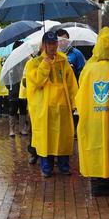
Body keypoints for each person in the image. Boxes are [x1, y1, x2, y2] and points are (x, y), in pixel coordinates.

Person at [76, 27, 109, 196]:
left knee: (96, 147)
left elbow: (80, 91)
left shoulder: (89, 68)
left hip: (92, 117)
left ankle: (98, 180)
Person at [24, 31, 79, 177]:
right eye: (49, 44)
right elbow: (37, 82)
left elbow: (71, 83)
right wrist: (45, 64)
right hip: (44, 109)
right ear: (43, 45)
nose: (52, 47)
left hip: (62, 107)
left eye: (54, 43)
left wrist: (75, 103)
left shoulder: (63, 60)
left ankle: (64, 166)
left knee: (63, 137)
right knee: (46, 138)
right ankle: (46, 168)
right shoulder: (33, 63)